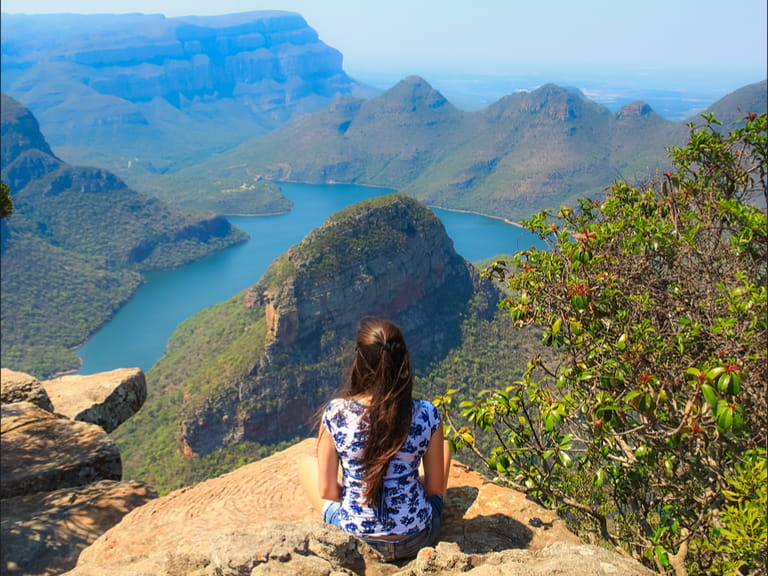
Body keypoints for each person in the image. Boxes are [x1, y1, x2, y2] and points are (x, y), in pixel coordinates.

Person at [299, 318, 451, 561]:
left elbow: (327, 490)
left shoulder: (336, 413)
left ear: (360, 361)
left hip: (357, 541)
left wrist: (360, 493)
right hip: (417, 539)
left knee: (305, 463)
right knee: (444, 446)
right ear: (403, 361)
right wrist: (405, 487)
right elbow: (434, 488)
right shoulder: (426, 414)